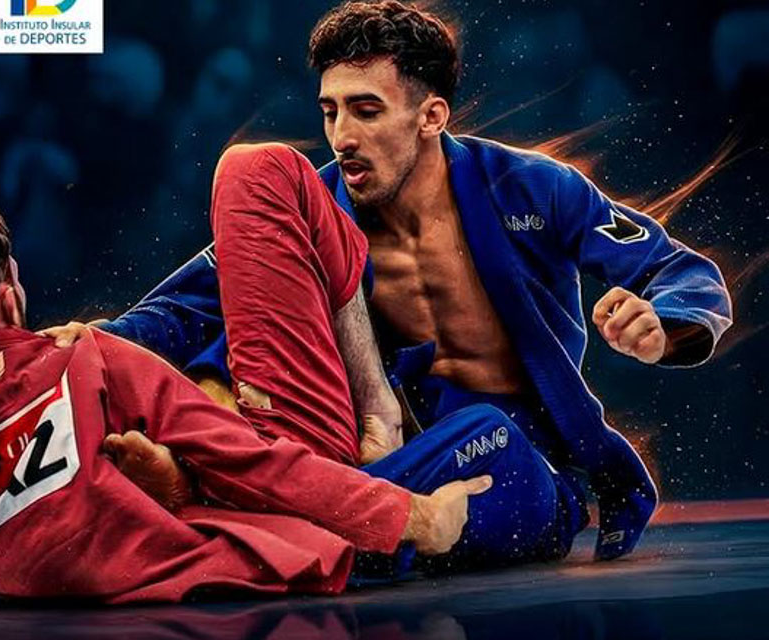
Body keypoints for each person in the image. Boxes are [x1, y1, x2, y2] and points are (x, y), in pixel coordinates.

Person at [90, 1, 732, 562]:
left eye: (367, 111)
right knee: (230, 347)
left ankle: (239, 505)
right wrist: (93, 344)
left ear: (431, 117)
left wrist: (666, 325)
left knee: (493, 443)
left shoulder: (533, 187)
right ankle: (309, 513)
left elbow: (680, 270)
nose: (342, 136)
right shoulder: (313, 207)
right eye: (330, 112)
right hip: (371, 461)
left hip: (520, 465)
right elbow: (185, 306)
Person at [0, 199, 512, 605]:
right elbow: (256, 465)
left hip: (218, 565)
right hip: (275, 572)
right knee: (489, 433)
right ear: (9, 299)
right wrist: (416, 518)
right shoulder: (83, 359)